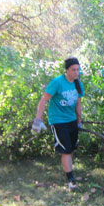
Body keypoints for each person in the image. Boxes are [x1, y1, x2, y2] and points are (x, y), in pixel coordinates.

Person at [32, 57, 84, 191]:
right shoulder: (57, 82)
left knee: (71, 149)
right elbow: (44, 100)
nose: (76, 72)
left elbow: (78, 104)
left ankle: (69, 173)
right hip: (58, 121)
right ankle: (71, 180)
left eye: (78, 69)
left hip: (71, 120)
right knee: (66, 151)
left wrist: (79, 122)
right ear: (66, 70)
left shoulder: (78, 84)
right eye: (73, 70)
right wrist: (38, 119)